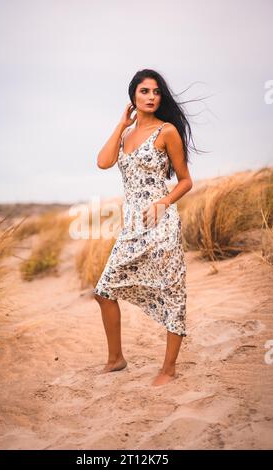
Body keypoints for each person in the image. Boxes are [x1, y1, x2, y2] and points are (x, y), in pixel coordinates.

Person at [94, 69, 195, 386]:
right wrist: (121, 125)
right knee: (104, 290)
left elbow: (186, 181)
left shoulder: (167, 132)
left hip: (162, 221)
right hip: (133, 225)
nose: (151, 97)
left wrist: (163, 203)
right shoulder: (125, 135)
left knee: (171, 289)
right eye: (144, 91)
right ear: (133, 97)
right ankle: (116, 358)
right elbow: (103, 161)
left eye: (156, 92)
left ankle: (168, 368)